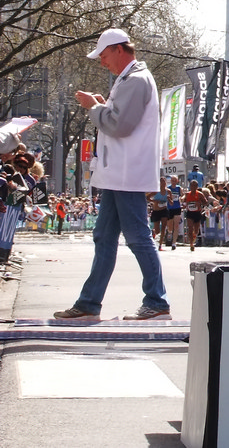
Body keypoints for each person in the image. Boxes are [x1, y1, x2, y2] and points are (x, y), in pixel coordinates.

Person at [54, 29, 170, 321]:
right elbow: (121, 120)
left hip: (126, 173)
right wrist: (102, 106)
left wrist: (94, 107)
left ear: (120, 49)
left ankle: (156, 301)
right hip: (120, 173)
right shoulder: (132, 78)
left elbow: (119, 126)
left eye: (104, 56)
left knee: (136, 237)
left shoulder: (136, 80)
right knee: (106, 237)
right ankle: (89, 303)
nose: (102, 62)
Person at [183, 178, 210, 251]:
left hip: (197, 213)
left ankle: (194, 237)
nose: (193, 187)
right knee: (190, 228)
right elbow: (183, 202)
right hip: (190, 213)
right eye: (192, 185)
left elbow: (206, 202)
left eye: (195, 186)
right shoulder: (187, 194)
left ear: (197, 187)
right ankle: (191, 244)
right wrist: (185, 204)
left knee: (196, 230)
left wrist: (200, 203)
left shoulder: (200, 194)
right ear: (190, 186)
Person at [148, 177, 171, 250]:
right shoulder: (155, 191)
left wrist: (169, 199)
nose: (163, 183)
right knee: (157, 230)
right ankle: (155, 236)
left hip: (164, 210)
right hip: (156, 211)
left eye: (164, 182)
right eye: (161, 182)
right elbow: (147, 198)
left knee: (164, 226)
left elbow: (171, 202)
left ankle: (160, 245)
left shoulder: (168, 191)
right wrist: (154, 201)